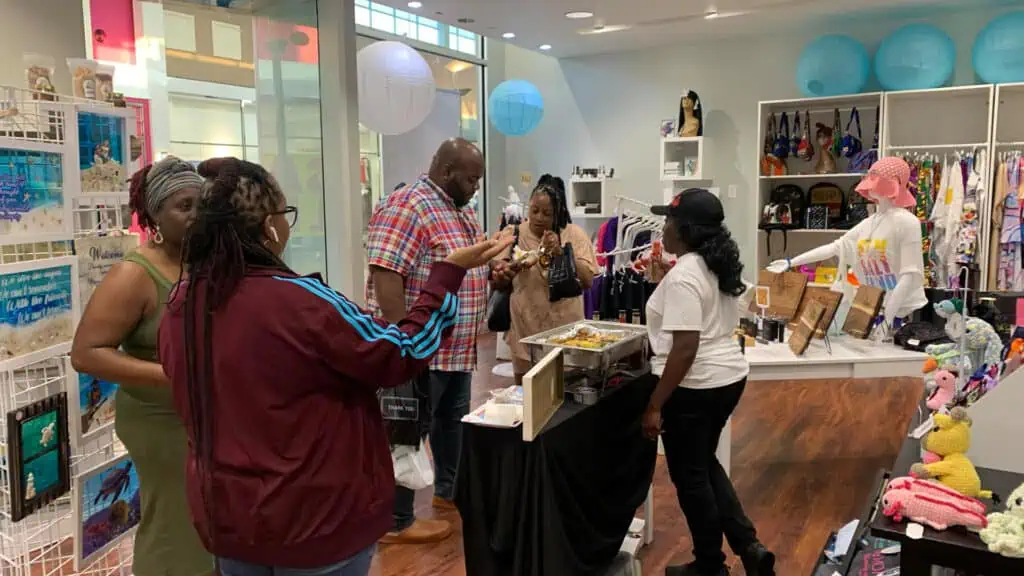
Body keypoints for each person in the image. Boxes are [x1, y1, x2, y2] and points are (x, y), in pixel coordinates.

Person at [157, 157, 510, 576]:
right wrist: (447, 274)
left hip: (229, 516)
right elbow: (402, 351)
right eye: (285, 214)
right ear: (270, 226)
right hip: (313, 517)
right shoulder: (301, 302)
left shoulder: (183, 304)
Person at [70, 156, 212, 576]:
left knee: (201, 521)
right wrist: (171, 377)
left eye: (201, 205)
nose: (195, 216)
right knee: (174, 524)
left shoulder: (199, 260)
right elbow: (86, 352)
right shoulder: (133, 275)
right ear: (153, 215)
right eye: (183, 207)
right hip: (158, 419)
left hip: (197, 413)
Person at [642, 189, 775, 576]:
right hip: (727, 378)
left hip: (695, 386)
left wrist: (654, 404)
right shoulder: (714, 265)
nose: (662, 228)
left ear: (685, 229)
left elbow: (685, 347)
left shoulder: (686, 275)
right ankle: (748, 547)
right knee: (702, 464)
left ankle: (709, 565)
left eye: (668, 221)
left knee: (690, 478)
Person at [366, 138, 488, 543]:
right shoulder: (409, 205)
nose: (475, 188)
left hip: (454, 347)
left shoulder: (459, 210)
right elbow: (387, 279)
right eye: (471, 179)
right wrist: (405, 346)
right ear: (447, 171)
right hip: (421, 347)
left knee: (450, 420)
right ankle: (396, 520)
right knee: (406, 428)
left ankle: (447, 491)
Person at [491, 174, 598, 383]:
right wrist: (509, 269)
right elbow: (496, 278)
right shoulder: (513, 234)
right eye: (534, 211)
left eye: (547, 213)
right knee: (526, 397)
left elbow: (587, 281)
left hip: (565, 336)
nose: (539, 218)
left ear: (557, 213)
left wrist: (562, 253)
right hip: (524, 334)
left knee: (563, 399)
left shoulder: (574, 235)